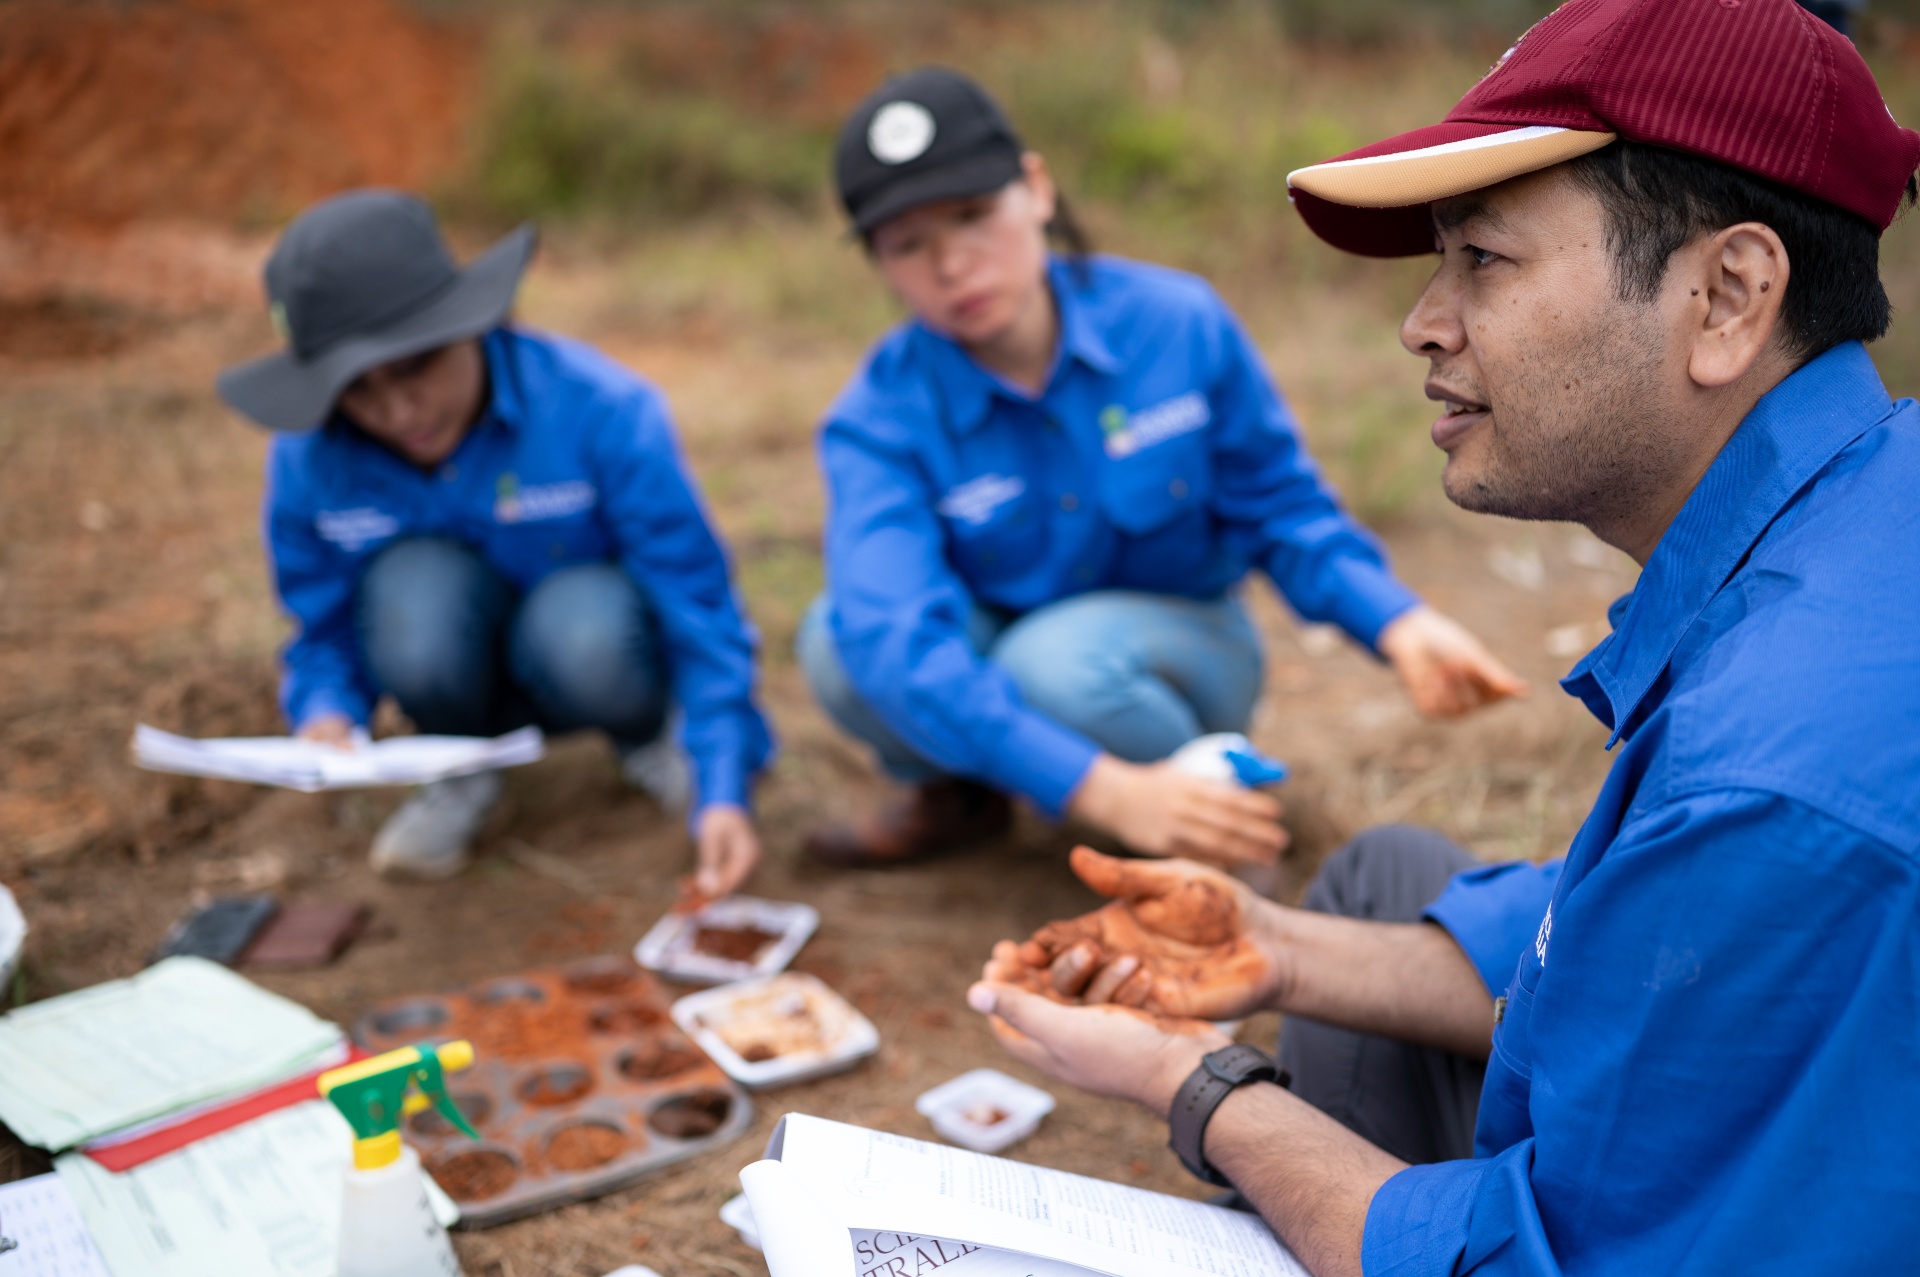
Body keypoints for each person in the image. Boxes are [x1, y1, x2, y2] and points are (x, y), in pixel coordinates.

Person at [966, 1, 1920, 1273]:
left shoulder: (1764, 776)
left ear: (1729, 296)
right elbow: (1644, 946)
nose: (1423, 320)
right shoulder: (1868, 503)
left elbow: (1554, 1258)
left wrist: (1204, 1088)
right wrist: (1273, 948)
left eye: (1485, 259)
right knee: (1378, 879)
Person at [799, 67, 1524, 870]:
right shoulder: (877, 414)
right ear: (878, 261)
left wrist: (1396, 620)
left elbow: (1280, 509)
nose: (952, 263)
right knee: (839, 642)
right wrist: (1103, 790)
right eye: (908, 243)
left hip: (1173, 648)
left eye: (973, 215)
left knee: (1052, 663)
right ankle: (969, 798)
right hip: (1015, 646)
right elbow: (893, 638)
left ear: (1035, 189)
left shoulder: (1176, 325)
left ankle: (1219, 835)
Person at [216, 190, 773, 890]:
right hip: (451, 670)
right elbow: (321, 625)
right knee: (410, 596)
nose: (397, 411)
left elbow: (697, 602)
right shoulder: (308, 460)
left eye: (415, 368)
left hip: (589, 654)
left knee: (585, 628)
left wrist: (724, 775)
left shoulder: (601, 408)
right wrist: (326, 710)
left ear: (474, 324)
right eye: (359, 392)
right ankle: (461, 769)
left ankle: (650, 740)